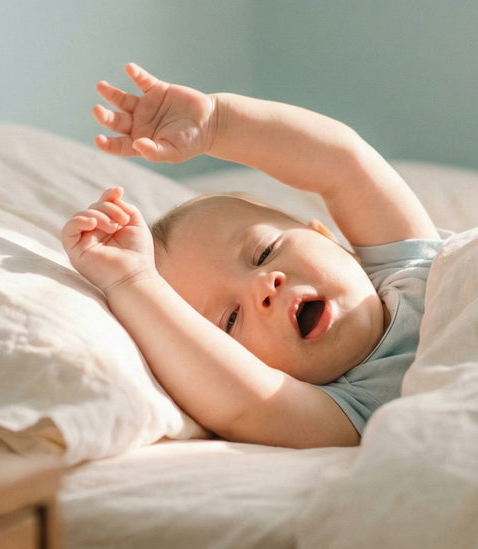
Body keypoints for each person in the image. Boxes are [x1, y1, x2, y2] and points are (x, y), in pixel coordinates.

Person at [62, 63, 445, 448]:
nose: (264, 286)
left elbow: (344, 164)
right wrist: (132, 282)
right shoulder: (353, 409)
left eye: (265, 252)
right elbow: (248, 404)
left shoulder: (413, 268)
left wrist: (219, 124)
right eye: (231, 319)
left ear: (329, 238)